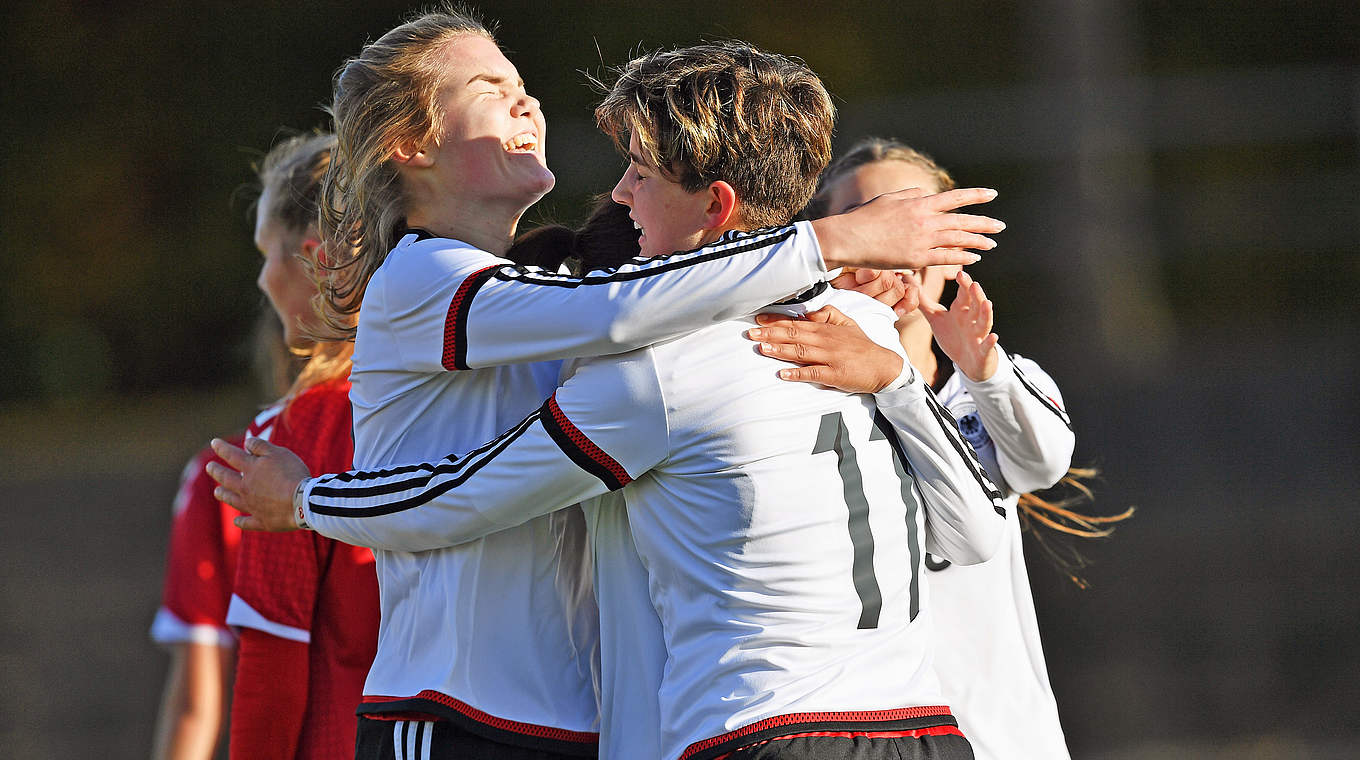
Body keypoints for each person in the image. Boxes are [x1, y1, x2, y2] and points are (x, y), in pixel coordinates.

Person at [211, 41, 1011, 760]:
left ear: (716, 203)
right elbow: (620, 309)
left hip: (642, 726)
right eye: (491, 86)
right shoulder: (422, 281)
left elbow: (612, 323)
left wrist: (887, 361)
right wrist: (833, 248)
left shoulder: (649, 349)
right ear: (410, 145)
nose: (526, 102)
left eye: (642, 171)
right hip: (457, 712)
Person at [753, 137, 1130, 759]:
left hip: (1003, 738)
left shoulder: (1000, 379)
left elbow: (1041, 463)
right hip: (865, 737)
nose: (896, 247)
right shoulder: (789, 387)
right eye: (871, 222)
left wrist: (983, 369)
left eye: (916, 221)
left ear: (952, 246)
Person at [222, 131, 380, 760]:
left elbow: (271, 665)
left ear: (316, 259)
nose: (262, 280)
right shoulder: (488, 398)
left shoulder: (292, 438)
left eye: (268, 253)